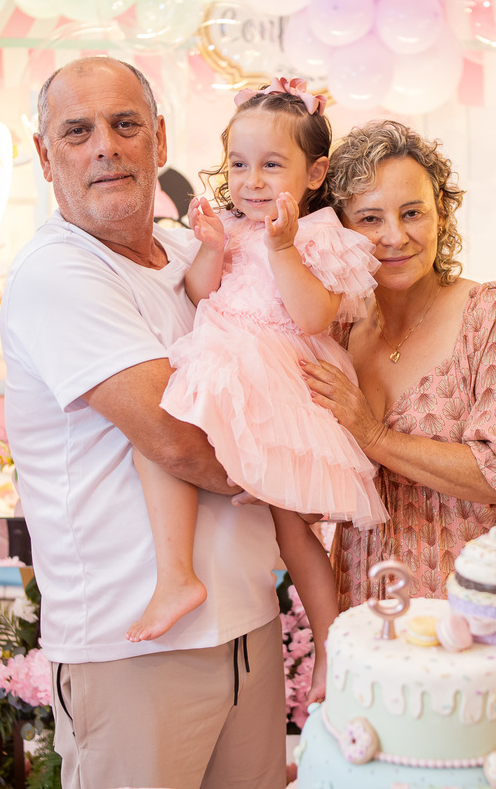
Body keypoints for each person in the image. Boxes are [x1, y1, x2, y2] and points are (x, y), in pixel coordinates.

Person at [0, 56, 285, 789]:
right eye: (78, 131)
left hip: (248, 627)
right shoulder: (60, 272)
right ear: (45, 157)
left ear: (159, 139)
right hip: (134, 650)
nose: (106, 146)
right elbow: (175, 441)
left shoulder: (193, 252)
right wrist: (295, 476)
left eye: (125, 124)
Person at [127, 79, 386, 700]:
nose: (252, 180)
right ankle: (176, 576)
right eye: (239, 164)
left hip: (279, 377)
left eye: (272, 164)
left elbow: (314, 318)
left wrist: (283, 247)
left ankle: (330, 646)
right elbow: (202, 294)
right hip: (222, 361)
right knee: (156, 439)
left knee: (295, 531)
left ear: (314, 172)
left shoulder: (317, 234)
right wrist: (212, 248)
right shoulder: (231, 227)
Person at [302, 120, 496, 726]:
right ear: (338, 229)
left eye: (413, 212)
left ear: (442, 214)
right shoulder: (336, 332)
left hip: (475, 619)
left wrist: (373, 435)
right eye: (370, 218)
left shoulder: (491, 315)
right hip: (368, 604)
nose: (395, 236)